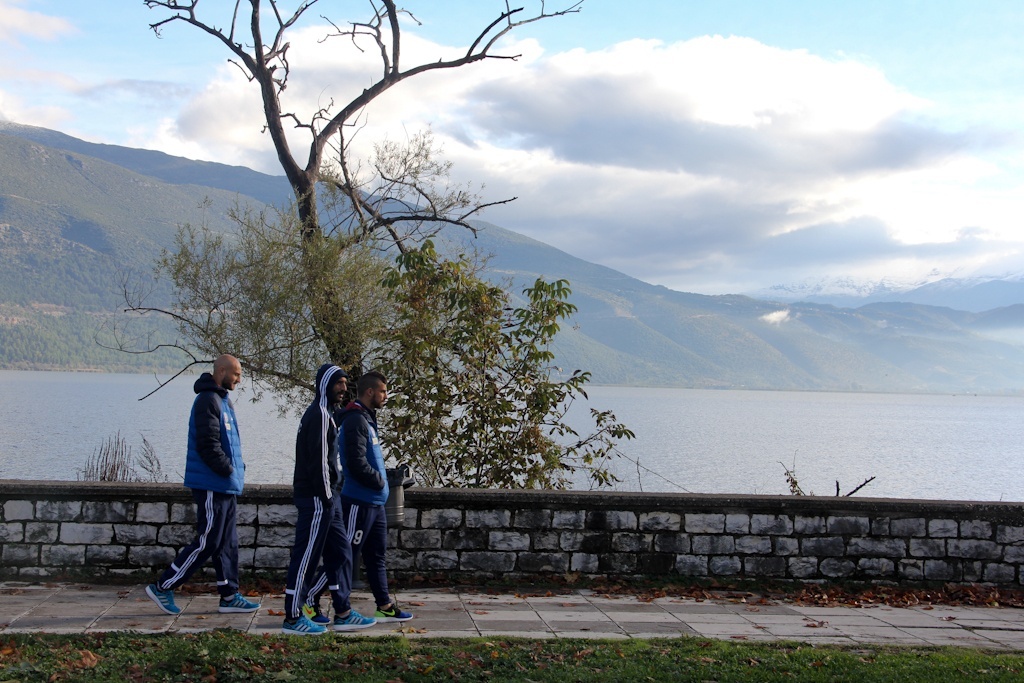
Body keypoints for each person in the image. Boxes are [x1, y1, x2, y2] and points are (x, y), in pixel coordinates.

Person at [146, 354, 260, 616]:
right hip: (212, 484)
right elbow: (208, 446)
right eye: (236, 374)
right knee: (208, 541)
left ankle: (229, 595)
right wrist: (229, 469)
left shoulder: (222, 400)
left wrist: (236, 472)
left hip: (226, 484)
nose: (239, 380)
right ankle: (164, 586)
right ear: (221, 371)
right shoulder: (207, 400)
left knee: (227, 542)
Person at [281, 363, 377, 635]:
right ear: (325, 384)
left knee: (341, 553)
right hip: (317, 500)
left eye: (346, 384)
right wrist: (326, 496)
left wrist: (334, 493)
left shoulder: (330, 415)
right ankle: (292, 616)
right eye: (338, 383)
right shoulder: (320, 415)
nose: (343, 388)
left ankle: (343, 612)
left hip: (330, 498)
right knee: (306, 557)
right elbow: (319, 462)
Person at [338, 370, 413, 624]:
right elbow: (355, 463)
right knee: (345, 554)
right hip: (359, 502)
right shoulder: (355, 421)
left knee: (376, 556)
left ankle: (384, 605)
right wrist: (379, 481)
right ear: (370, 392)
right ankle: (329, 606)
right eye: (383, 391)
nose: (386, 396)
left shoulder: (367, 420)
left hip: (376, 503)